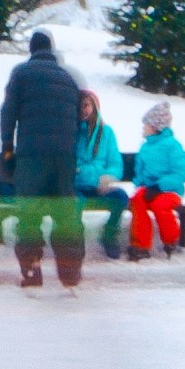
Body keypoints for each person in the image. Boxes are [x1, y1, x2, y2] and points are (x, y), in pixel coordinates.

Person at [0, 29, 84, 290]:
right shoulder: (67, 77)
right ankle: (70, 272)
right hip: (64, 159)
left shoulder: (22, 73)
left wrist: (7, 148)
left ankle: (32, 270)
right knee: (65, 214)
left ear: (32, 50)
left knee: (29, 214)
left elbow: (8, 112)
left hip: (32, 156)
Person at [127, 101, 185, 258]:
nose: (144, 128)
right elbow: (140, 170)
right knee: (137, 201)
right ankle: (140, 245)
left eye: (146, 125)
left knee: (160, 205)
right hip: (148, 189)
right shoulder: (145, 147)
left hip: (170, 190)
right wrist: (141, 184)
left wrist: (159, 186)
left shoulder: (172, 146)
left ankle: (171, 240)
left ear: (156, 127)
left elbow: (181, 173)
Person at [75, 90, 127, 260]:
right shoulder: (71, 131)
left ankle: (110, 234)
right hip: (77, 185)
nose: (83, 110)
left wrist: (107, 177)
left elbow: (115, 164)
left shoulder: (107, 132)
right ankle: (76, 239)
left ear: (94, 107)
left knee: (120, 197)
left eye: (86, 105)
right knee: (74, 202)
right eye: (79, 106)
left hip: (99, 186)